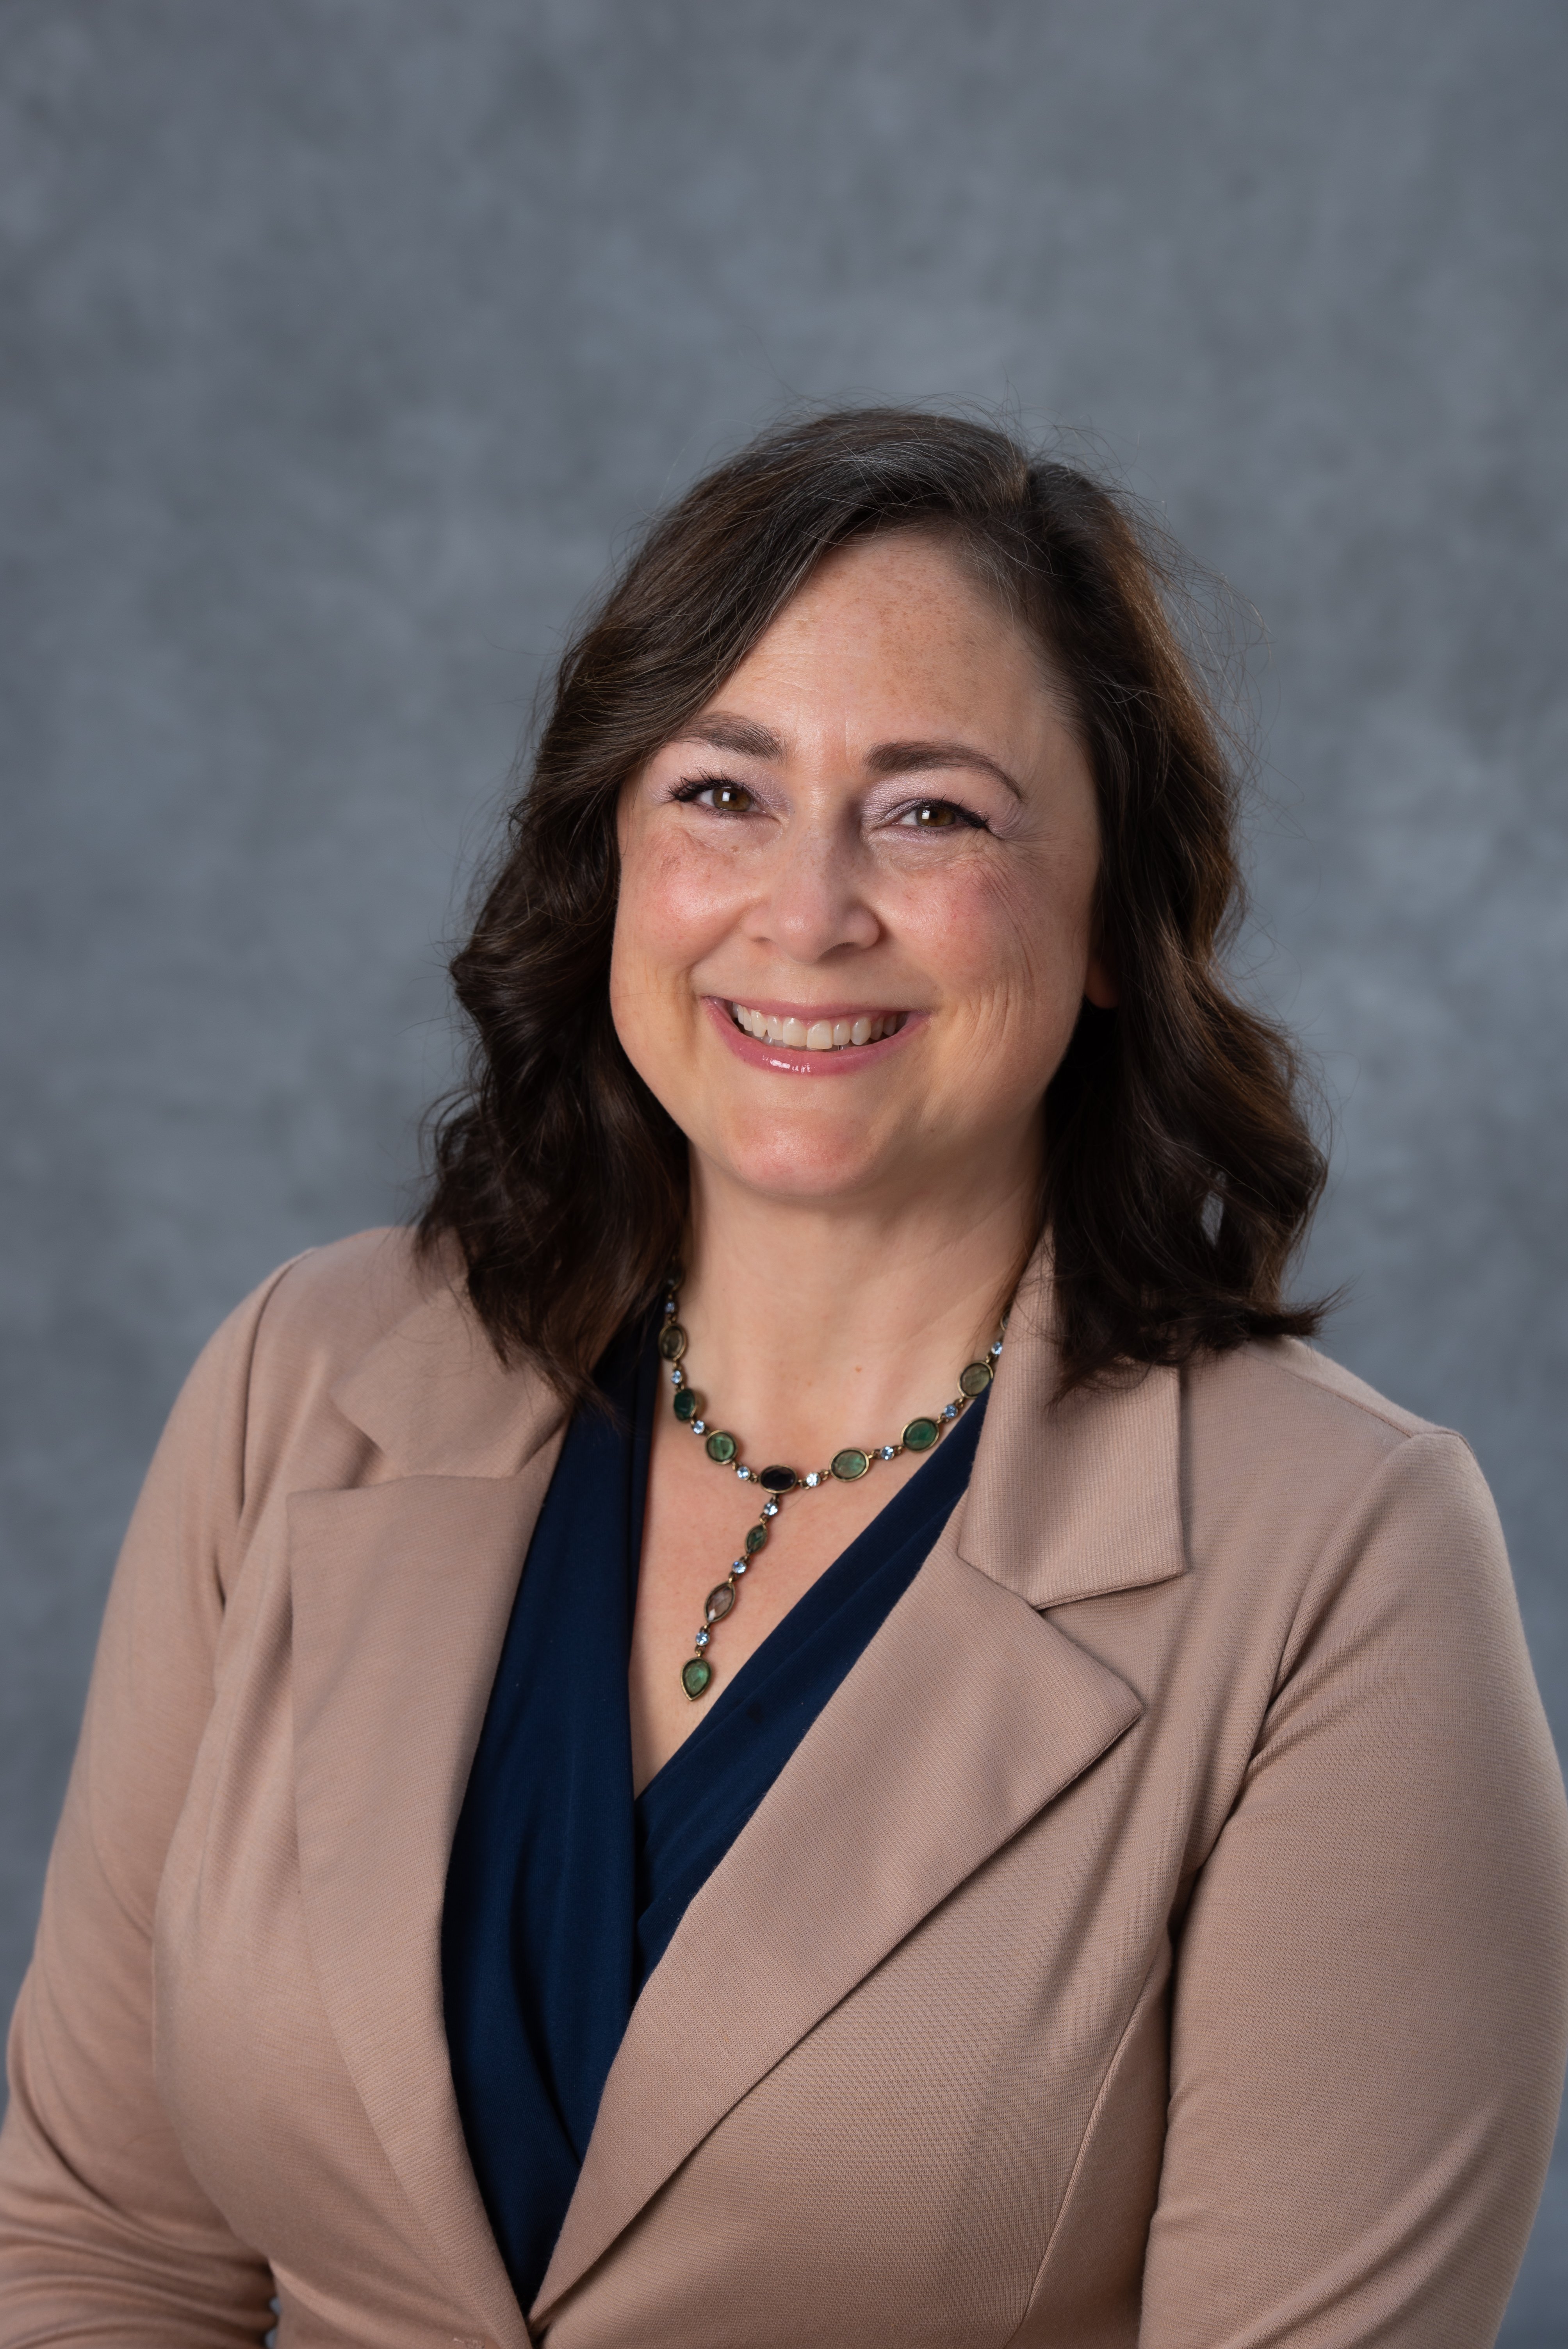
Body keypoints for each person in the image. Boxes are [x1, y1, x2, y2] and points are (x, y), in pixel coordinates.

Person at [1, 410, 1564, 2349]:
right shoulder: (302, 1388)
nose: (806, 909)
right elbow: (99, 2248)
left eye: (931, 812)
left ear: (1106, 920)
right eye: (722, 794)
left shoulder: (1339, 1561)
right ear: (612, 855)